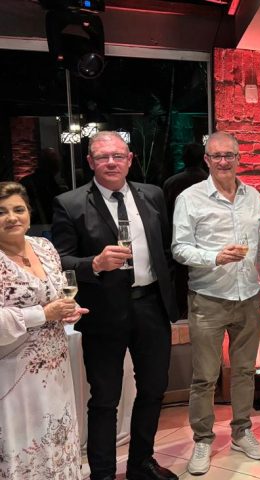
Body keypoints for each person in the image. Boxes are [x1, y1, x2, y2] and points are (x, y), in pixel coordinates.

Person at [51, 131, 179, 480]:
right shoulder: (70, 203)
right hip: (103, 312)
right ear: (90, 162)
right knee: (105, 398)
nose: (111, 162)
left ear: (130, 159)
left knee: (154, 388)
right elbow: (58, 260)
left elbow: (164, 249)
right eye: (102, 157)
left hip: (151, 306)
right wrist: (93, 263)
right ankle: (103, 474)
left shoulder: (152, 195)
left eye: (118, 156)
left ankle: (141, 463)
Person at [172, 131, 260, 474]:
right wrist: (214, 257)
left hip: (248, 298)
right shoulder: (190, 198)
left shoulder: (253, 196)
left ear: (238, 158)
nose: (223, 161)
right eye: (216, 156)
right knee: (205, 377)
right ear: (206, 160)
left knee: (244, 371)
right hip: (208, 299)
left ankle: (241, 432)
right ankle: (203, 439)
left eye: (229, 155)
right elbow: (179, 248)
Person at [0, 181, 87, 479]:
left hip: (55, 367)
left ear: (29, 213)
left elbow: (58, 294)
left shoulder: (44, 247)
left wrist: (68, 310)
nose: (12, 217)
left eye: (18, 209)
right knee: (23, 444)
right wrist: (42, 314)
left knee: (57, 439)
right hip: (13, 373)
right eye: (1, 212)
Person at [162, 143, 208, 319]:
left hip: (178, 236)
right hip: (204, 239)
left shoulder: (172, 182)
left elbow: (165, 215)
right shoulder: (209, 181)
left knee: (181, 278)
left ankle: (182, 311)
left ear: (184, 158)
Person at [20, 147, 69, 225]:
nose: (60, 163)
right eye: (57, 160)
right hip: (40, 225)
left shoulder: (26, 180)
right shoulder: (48, 182)